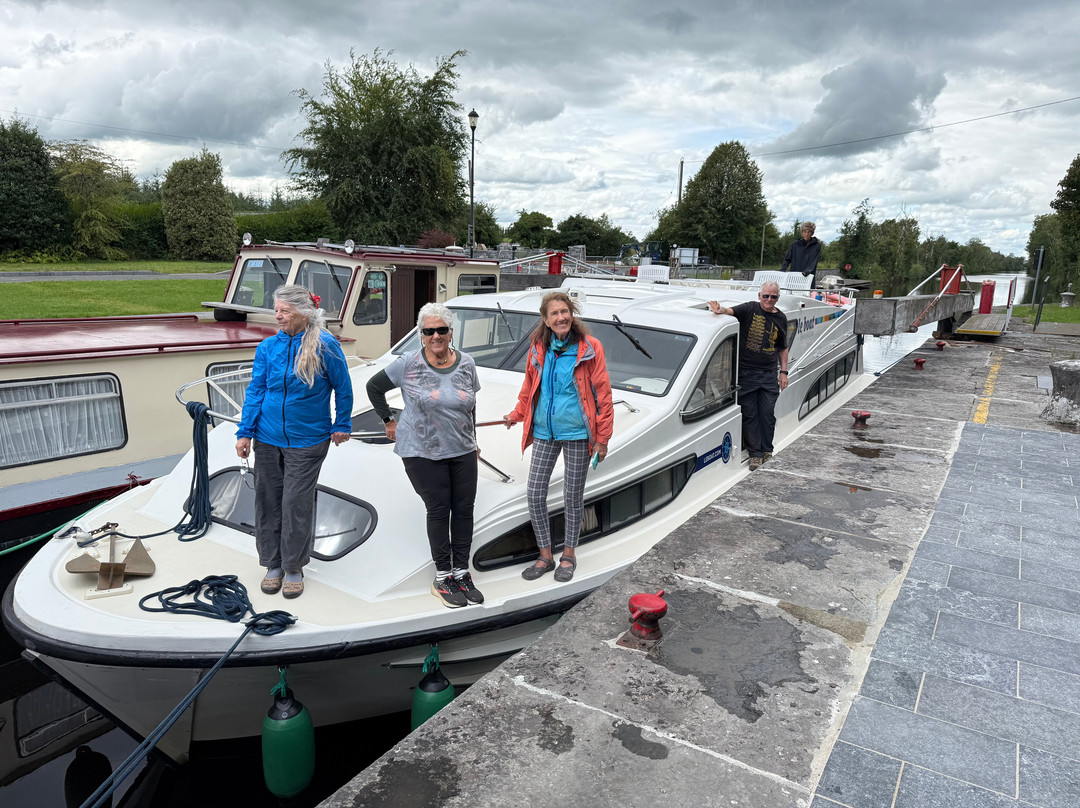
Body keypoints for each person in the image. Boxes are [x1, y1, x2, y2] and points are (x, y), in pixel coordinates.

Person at [235, 285, 353, 599]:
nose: (278, 316)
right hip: (267, 438)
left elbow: (343, 388)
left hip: (308, 440)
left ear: (302, 313)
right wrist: (245, 432)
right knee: (267, 501)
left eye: (284, 311)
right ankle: (271, 564)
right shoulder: (267, 348)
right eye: (277, 310)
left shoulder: (325, 345)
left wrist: (342, 423)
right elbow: (256, 391)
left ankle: (293, 567)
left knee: (294, 504)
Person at [366, 303, 483, 609]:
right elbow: (374, 387)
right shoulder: (408, 363)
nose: (435, 336)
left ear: (450, 332)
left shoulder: (467, 363)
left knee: (464, 509)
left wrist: (475, 439)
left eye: (441, 330)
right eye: (429, 331)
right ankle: (442, 576)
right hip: (422, 451)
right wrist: (388, 420)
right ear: (421, 334)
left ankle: (462, 572)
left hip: (463, 449)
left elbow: (470, 405)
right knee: (439, 509)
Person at [503, 291, 614, 583]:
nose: (561, 317)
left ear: (572, 314)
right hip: (544, 431)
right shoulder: (538, 347)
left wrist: (602, 438)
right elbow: (529, 386)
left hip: (578, 432)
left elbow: (603, 394)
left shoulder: (590, 348)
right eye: (554, 313)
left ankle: (568, 554)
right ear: (545, 319)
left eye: (565, 311)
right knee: (535, 492)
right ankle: (544, 555)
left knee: (572, 496)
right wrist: (517, 413)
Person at [707, 281, 789, 471]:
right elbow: (729, 311)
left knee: (767, 414)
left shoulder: (781, 318)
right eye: (766, 296)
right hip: (746, 373)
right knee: (750, 415)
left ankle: (767, 450)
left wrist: (783, 372)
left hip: (769, 374)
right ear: (759, 295)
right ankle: (756, 454)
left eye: (773, 296)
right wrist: (719, 309)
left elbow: (783, 348)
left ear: (778, 298)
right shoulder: (749, 309)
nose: (769, 300)